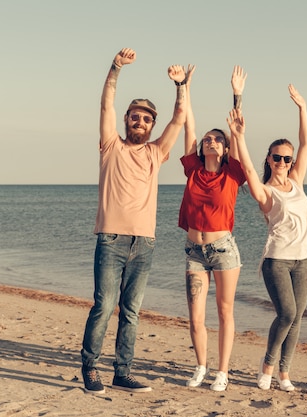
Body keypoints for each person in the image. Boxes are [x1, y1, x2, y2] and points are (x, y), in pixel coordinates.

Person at [80, 48, 191, 395]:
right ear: (126, 119)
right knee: (104, 306)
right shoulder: (110, 145)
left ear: (151, 126)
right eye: (134, 117)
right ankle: (90, 369)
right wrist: (115, 68)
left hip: (144, 243)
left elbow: (180, 118)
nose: (139, 122)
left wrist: (180, 85)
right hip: (111, 240)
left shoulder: (157, 153)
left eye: (146, 119)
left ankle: (122, 372)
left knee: (131, 312)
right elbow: (105, 104)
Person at [227, 84, 307, 392]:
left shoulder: (297, 180)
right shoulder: (265, 191)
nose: (283, 163)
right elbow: (248, 168)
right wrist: (238, 136)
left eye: (286, 159)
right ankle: (266, 365)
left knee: (297, 318)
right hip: (277, 260)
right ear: (269, 159)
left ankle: (284, 374)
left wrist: (302, 108)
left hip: (303, 259)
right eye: (277, 158)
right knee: (287, 313)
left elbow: (306, 143)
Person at [179, 66, 247, 392]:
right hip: (194, 250)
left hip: (223, 250)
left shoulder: (233, 172)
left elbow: (236, 130)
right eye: (208, 139)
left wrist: (236, 95)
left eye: (217, 140)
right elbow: (188, 123)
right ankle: (201, 367)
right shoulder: (192, 168)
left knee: (224, 312)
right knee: (195, 316)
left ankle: (222, 372)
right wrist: (185, 86)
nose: (211, 141)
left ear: (225, 149)